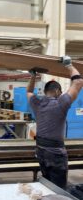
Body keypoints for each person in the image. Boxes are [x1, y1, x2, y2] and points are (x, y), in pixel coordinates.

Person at [27, 56, 83, 189]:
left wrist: (33, 76)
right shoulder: (61, 103)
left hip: (41, 152)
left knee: (47, 186)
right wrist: (69, 65)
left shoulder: (37, 103)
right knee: (58, 190)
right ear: (58, 91)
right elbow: (78, 82)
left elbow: (29, 91)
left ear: (45, 91)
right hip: (56, 155)